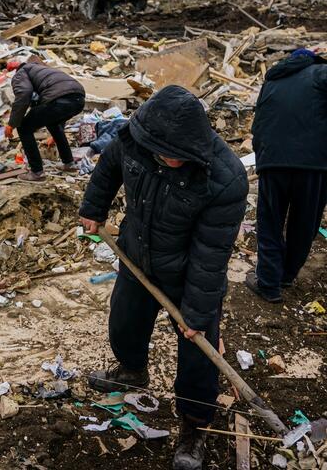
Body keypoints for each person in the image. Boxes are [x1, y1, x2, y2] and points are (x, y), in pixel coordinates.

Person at [79, 86, 248, 470]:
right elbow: (109, 167)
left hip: (188, 275)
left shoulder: (224, 178)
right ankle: (132, 371)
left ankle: (194, 423)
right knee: (125, 322)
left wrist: (197, 313)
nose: (164, 159)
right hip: (136, 255)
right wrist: (94, 207)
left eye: (171, 154)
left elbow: (211, 255)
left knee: (197, 355)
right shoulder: (137, 139)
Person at [247, 48, 327, 303]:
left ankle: (269, 284)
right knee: (304, 223)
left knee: (270, 222)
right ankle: (286, 275)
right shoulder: (320, 73)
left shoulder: (272, 80)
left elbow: (258, 124)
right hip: (313, 165)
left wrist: (262, 156)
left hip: (272, 162)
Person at [5, 57, 85, 181]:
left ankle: (37, 172)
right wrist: (56, 135)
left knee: (24, 128)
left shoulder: (21, 73)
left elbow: (24, 94)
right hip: (79, 99)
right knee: (53, 124)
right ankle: (69, 164)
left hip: (58, 99)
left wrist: (11, 124)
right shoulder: (45, 70)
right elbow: (59, 107)